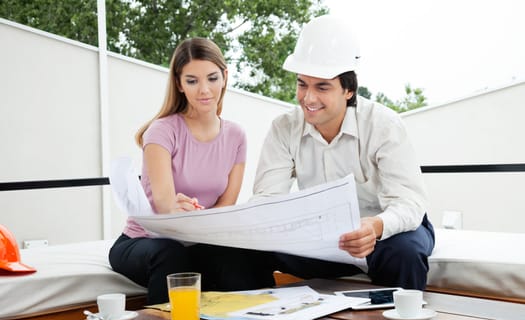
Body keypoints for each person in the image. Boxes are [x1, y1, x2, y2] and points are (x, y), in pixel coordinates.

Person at [252, 15, 435, 290]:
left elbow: (409, 203)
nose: (308, 98)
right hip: (321, 236)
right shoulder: (284, 128)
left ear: (348, 90)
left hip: (385, 232)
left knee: (405, 253)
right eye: (302, 84)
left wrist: (374, 226)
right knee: (243, 251)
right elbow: (268, 200)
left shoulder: (384, 125)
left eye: (322, 87)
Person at [109, 37, 272, 304]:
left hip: (198, 239)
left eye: (212, 78)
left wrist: (200, 221)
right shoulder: (162, 131)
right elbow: (164, 205)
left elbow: (226, 205)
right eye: (192, 81)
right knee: (172, 254)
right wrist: (178, 210)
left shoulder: (236, 135)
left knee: (242, 257)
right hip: (145, 241)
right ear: (179, 83)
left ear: (225, 77)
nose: (204, 90)